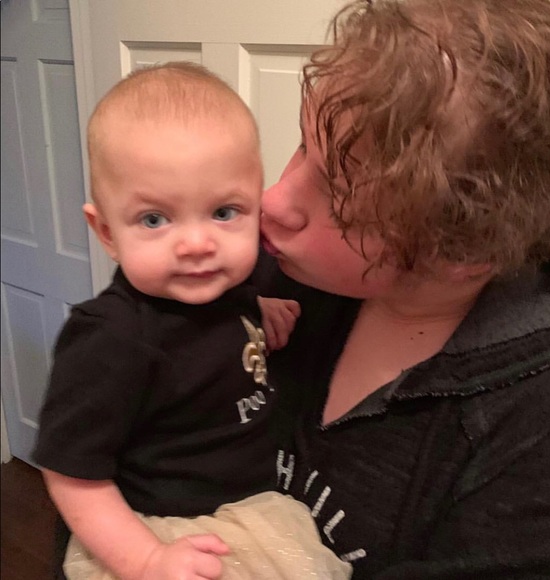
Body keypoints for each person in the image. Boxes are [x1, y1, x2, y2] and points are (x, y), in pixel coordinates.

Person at [257, 0, 550, 578]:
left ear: (462, 251)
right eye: (303, 145)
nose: (273, 201)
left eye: (337, 196)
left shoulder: (546, 432)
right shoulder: (277, 271)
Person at [33, 62, 351, 580]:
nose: (198, 244)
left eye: (224, 212)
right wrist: (146, 560)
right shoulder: (111, 338)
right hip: (161, 533)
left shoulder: (232, 288)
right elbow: (71, 473)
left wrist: (258, 311)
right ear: (106, 231)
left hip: (253, 510)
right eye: (154, 219)